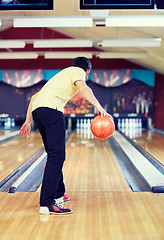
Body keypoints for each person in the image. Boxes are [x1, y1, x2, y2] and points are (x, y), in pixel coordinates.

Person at [20, 57, 111, 215]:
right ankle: (47, 204)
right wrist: (99, 106)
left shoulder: (61, 74)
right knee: (57, 156)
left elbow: (34, 98)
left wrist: (28, 121)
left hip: (38, 111)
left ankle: (59, 193)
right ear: (87, 71)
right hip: (52, 111)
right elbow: (84, 88)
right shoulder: (78, 72)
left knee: (54, 154)